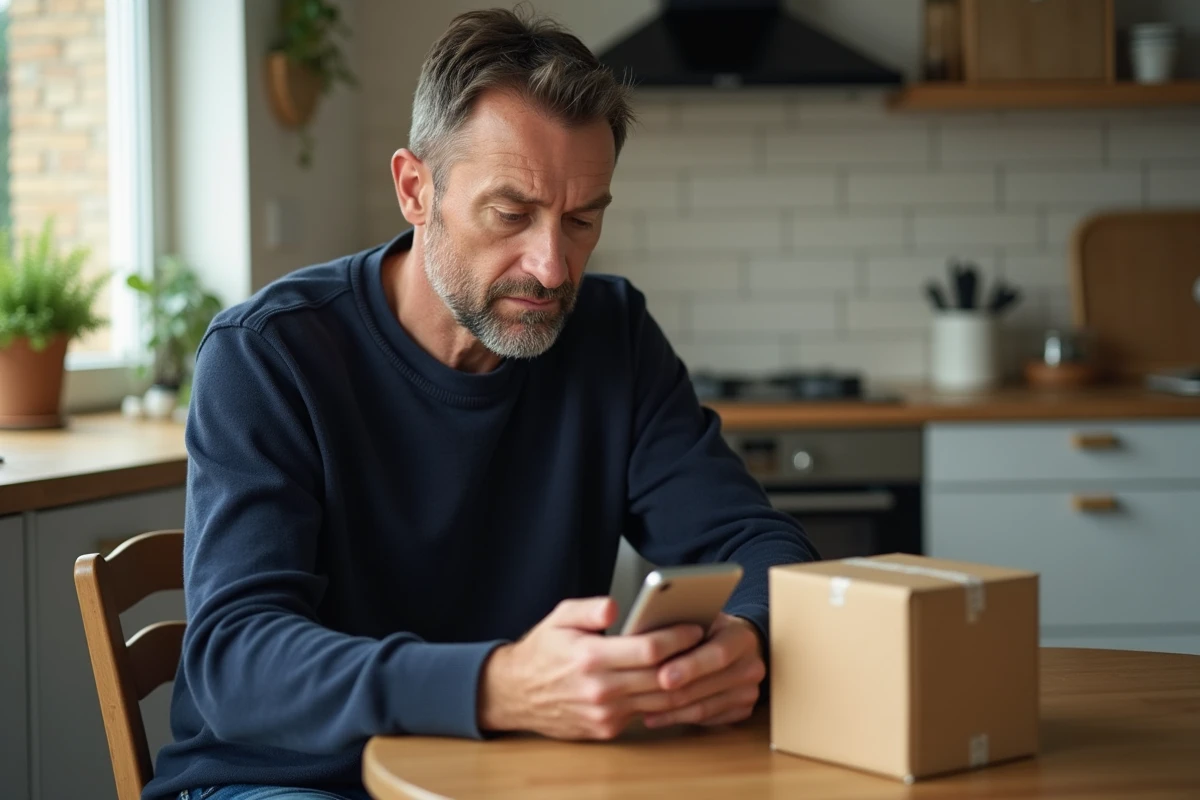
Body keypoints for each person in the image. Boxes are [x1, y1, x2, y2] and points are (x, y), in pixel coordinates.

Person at [146, 7, 816, 800]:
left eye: (581, 220)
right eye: (511, 215)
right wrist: (496, 685)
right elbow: (236, 660)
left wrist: (747, 634)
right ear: (415, 189)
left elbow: (756, 542)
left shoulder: (612, 337)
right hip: (288, 781)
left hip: (517, 775)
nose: (552, 267)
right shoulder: (269, 353)